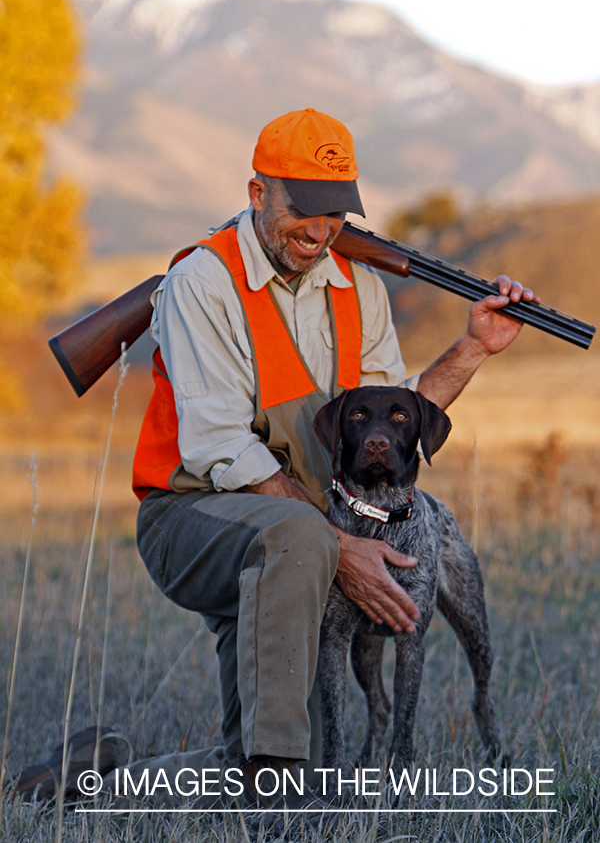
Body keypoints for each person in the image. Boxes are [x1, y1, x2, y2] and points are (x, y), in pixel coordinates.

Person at [130, 108, 536, 819]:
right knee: (303, 539)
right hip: (192, 516)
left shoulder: (358, 285)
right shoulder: (203, 280)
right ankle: (285, 813)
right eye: (304, 211)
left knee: (280, 752)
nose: (320, 232)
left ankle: (85, 778)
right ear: (257, 194)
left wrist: (473, 346)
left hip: (298, 545)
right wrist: (340, 545)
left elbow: (394, 419)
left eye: (336, 214)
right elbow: (219, 446)